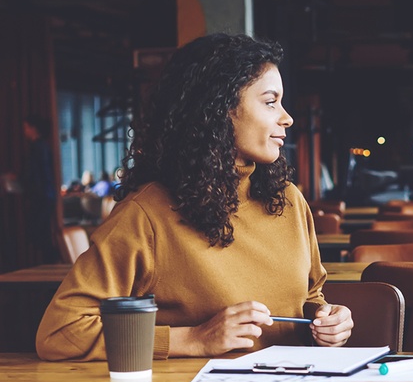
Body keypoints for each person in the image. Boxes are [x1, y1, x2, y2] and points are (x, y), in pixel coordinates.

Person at [36, 33, 353, 361]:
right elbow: (60, 332)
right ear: (219, 108)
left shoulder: (288, 199)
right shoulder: (146, 214)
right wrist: (193, 339)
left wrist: (327, 321)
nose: (287, 117)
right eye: (270, 101)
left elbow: (311, 295)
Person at [22, 115, 58, 264]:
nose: (24, 132)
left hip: (40, 196)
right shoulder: (44, 146)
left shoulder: (37, 147)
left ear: (33, 128)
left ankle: (49, 265)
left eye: (25, 128)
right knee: (42, 234)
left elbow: (35, 174)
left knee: (39, 234)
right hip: (47, 195)